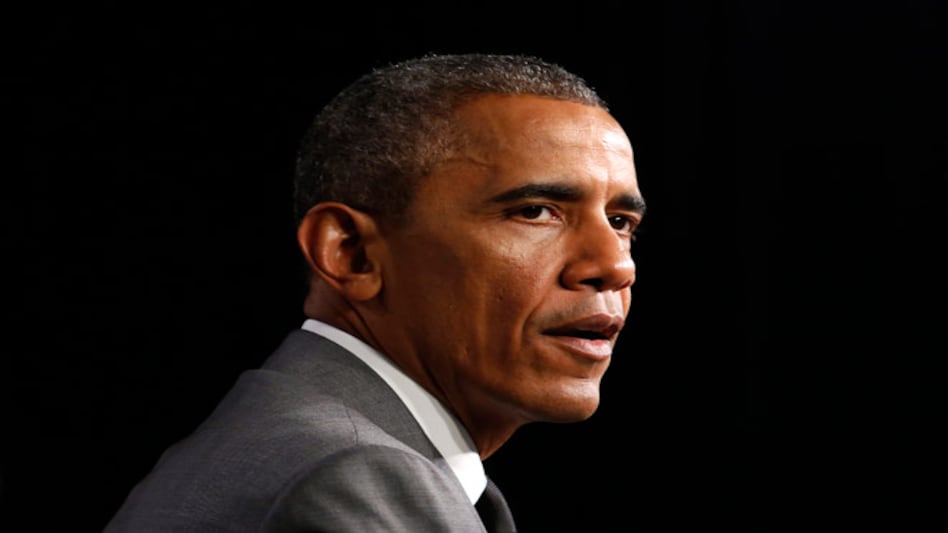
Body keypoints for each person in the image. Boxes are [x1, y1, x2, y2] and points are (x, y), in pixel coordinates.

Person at [104, 52, 646, 532]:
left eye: (621, 222)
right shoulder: (352, 476)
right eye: (534, 212)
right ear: (351, 254)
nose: (615, 265)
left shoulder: (289, 444)